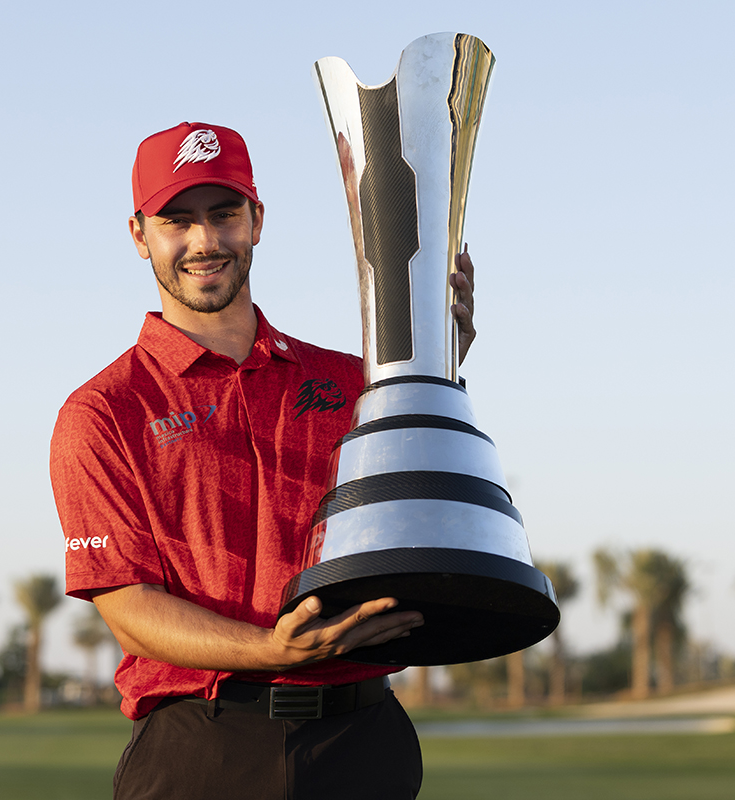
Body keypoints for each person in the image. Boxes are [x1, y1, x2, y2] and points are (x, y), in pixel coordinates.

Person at [49, 121, 476, 799]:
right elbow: (129, 607)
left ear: (257, 221)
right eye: (176, 220)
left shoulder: (351, 382)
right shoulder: (103, 411)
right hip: (204, 748)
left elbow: (416, 502)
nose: (204, 241)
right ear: (139, 235)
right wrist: (272, 651)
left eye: (224, 214)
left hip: (363, 741)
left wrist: (432, 367)